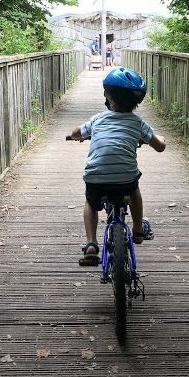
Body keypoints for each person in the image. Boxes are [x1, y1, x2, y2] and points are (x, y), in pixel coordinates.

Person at [69, 67, 166, 266]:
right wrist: (160, 139)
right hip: (125, 179)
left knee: (90, 202)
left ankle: (91, 244)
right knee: (134, 189)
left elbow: (76, 132)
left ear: (109, 97)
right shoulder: (137, 123)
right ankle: (138, 230)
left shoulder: (98, 119)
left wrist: (77, 136)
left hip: (96, 178)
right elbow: (160, 147)